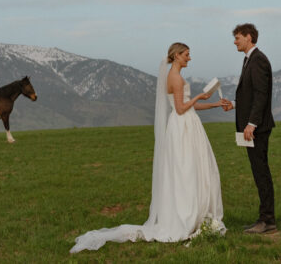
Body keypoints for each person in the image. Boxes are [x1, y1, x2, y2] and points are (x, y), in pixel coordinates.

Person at [70, 43, 226, 253]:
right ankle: (185, 214)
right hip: (183, 126)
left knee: (190, 169)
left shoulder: (175, 76)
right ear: (177, 55)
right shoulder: (175, 78)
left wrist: (213, 104)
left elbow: (187, 105)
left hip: (187, 124)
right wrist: (201, 96)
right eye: (187, 55)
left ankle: (194, 212)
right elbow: (180, 109)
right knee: (185, 170)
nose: (190, 58)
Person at [219, 23, 276, 234]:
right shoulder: (249, 60)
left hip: (257, 129)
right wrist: (233, 104)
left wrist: (251, 124)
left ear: (249, 37)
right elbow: (250, 95)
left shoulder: (258, 60)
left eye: (237, 37)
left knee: (261, 173)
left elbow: (261, 95)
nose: (235, 41)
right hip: (252, 127)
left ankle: (268, 220)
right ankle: (264, 218)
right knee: (258, 172)